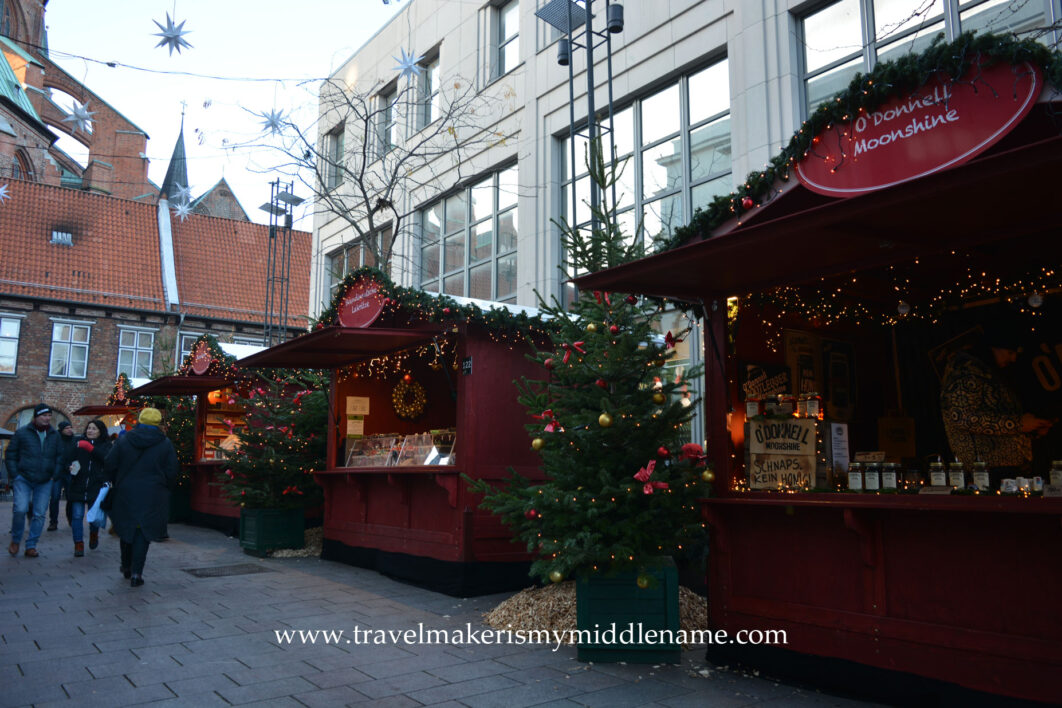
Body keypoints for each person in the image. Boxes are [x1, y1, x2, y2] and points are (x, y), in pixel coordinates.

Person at [940, 320, 1054, 483]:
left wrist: (1031, 429)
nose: (1013, 358)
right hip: (987, 471)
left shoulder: (990, 373)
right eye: (1009, 352)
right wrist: (1019, 424)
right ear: (994, 347)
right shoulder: (966, 371)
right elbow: (961, 416)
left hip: (1006, 470)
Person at [104, 407, 177, 587]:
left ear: (140, 420)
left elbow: (109, 463)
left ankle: (126, 565)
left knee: (126, 527)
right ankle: (137, 572)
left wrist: (116, 481)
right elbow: (172, 470)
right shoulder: (165, 443)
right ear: (157, 423)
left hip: (126, 491)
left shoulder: (124, 440)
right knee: (143, 532)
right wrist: (164, 487)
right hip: (152, 493)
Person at [6, 404, 62, 557]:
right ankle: (16, 540)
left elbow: (60, 457)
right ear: (36, 416)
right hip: (23, 478)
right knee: (20, 509)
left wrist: (54, 474)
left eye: (49, 415)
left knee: (39, 513)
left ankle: (31, 545)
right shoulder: (22, 433)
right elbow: (11, 454)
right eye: (44, 415)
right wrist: (15, 474)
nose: (47, 418)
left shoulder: (54, 435)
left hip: (45, 480)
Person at [64, 419, 112, 557]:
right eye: (89, 428)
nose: (90, 431)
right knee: (77, 516)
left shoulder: (106, 445)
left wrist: (90, 448)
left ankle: (93, 534)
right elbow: (66, 459)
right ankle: (78, 544)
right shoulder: (77, 443)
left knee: (94, 517)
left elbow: (107, 459)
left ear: (100, 431)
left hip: (96, 486)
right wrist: (69, 467)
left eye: (94, 429)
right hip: (78, 485)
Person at [48, 421, 76, 531]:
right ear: (61, 430)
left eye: (70, 427)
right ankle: (53, 522)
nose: (69, 430)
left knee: (71, 498)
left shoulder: (74, 440)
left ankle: (70, 518)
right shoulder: (56, 440)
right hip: (57, 472)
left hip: (70, 473)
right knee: (55, 497)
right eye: (67, 428)